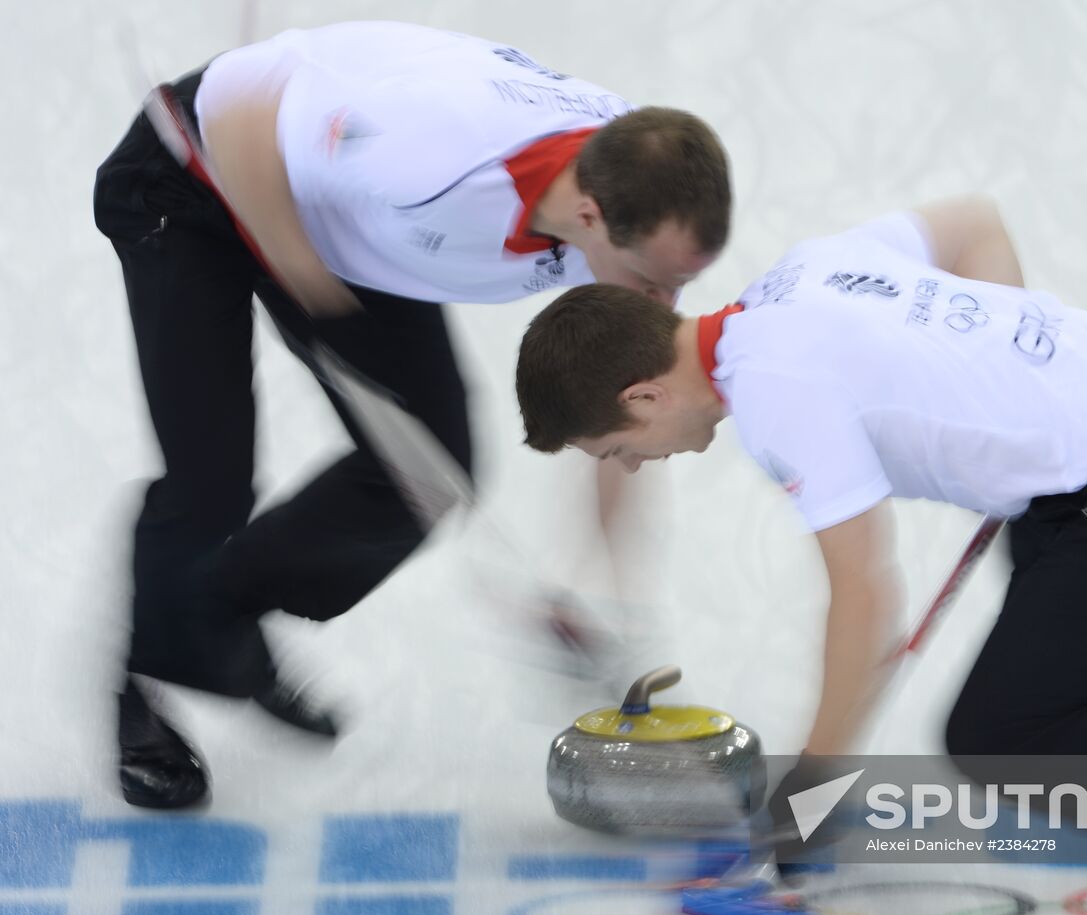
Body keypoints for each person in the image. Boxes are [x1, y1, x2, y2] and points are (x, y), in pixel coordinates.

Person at [513, 195, 1087, 898]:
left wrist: (812, 789)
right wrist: (1017, 372)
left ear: (644, 395)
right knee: (1073, 672)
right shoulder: (796, 275)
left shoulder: (775, 397)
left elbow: (864, 599)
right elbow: (974, 220)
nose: (632, 462)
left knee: (1001, 735)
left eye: (616, 449)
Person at [93, 20, 731, 810]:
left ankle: (210, 616)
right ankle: (144, 690)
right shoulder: (436, 157)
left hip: (344, 220)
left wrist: (607, 589)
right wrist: (295, 264)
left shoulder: (639, 196)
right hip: (192, 180)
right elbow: (243, 111)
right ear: (593, 218)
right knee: (210, 475)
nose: (662, 305)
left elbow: (624, 406)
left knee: (428, 473)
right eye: (652, 280)